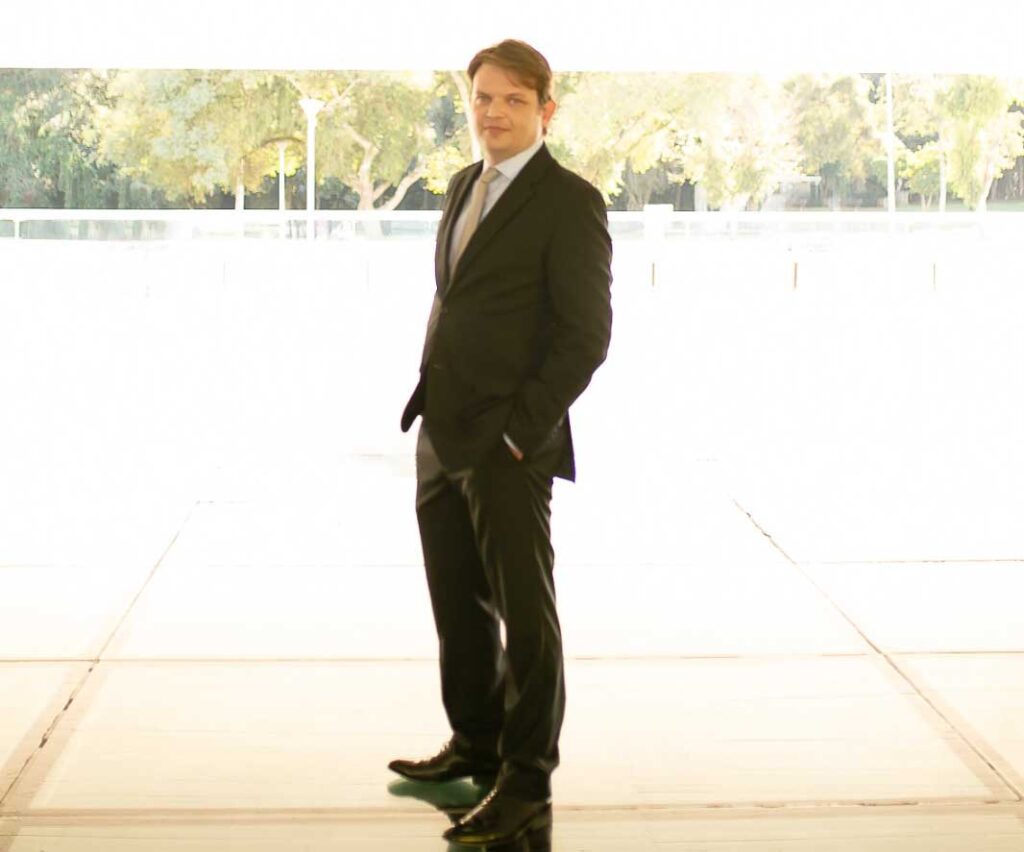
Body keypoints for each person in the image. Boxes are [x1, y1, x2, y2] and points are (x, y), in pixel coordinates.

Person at [390, 38, 613, 847]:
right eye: (483, 98)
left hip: (510, 446)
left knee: (527, 619)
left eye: (514, 100)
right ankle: (475, 741)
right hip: (443, 432)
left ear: (546, 111)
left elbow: (586, 337)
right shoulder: (463, 185)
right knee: (459, 605)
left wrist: (522, 432)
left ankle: (526, 781)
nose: (494, 113)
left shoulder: (569, 202)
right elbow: (456, 301)